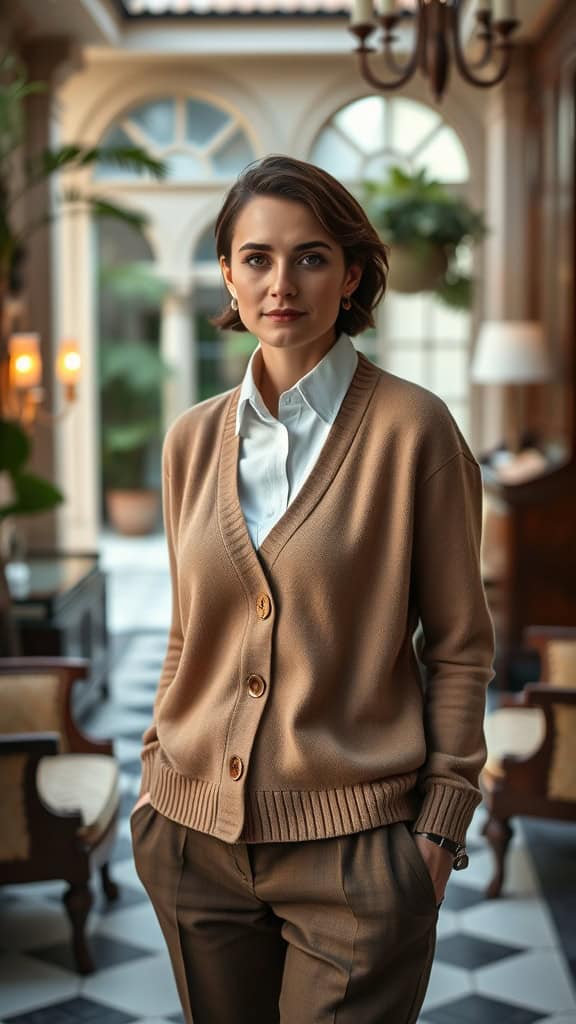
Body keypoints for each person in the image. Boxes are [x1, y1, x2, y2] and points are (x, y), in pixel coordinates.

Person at [130, 154, 495, 1024]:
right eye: (255, 257)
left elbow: (457, 647)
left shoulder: (416, 431)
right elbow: (190, 634)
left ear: (353, 272)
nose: (280, 282)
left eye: (311, 256)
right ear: (226, 271)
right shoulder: (191, 440)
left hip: (356, 857)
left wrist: (438, 835)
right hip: (193, 844)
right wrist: (154, 779)